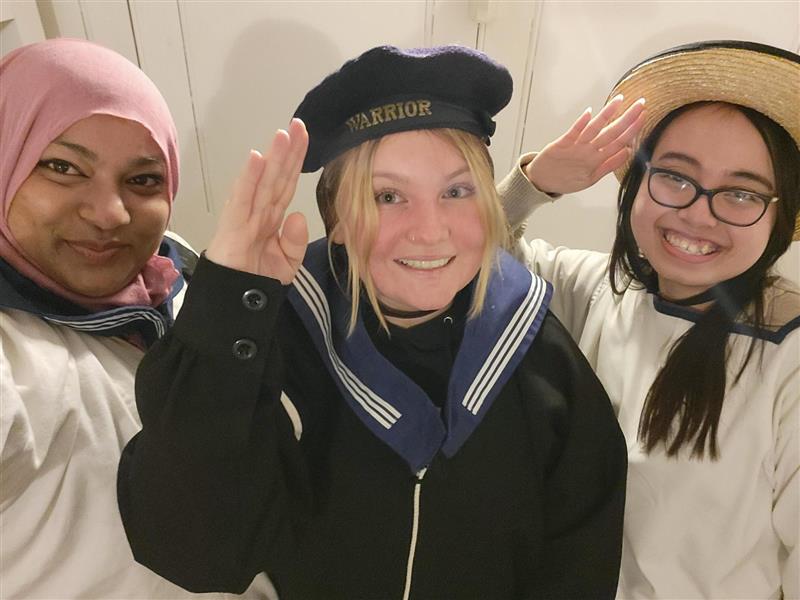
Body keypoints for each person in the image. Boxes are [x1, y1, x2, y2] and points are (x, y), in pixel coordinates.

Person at [118, 45, 630, 599]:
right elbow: (198, 552)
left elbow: (579, 565)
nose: (429, 231)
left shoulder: (541, 358)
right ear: (336, 221)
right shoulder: (278, 342)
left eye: (457, 191)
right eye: (387, 196)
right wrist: (223, 309)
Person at [499, 40, 799, 598]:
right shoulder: (598, 290)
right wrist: (534, 185)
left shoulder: (790, 353)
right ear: (638, 181)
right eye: (675, 177)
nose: (698, 214)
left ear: (778, 217)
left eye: (741, 193)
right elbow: (459, 260)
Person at [0, 38, 271, 599]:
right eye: (62, 167)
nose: (110, 214)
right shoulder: (17, 357)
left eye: (143, 179)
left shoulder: (170, 273)